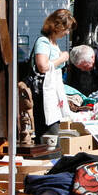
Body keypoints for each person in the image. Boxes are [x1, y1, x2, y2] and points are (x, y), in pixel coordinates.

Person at [29, 8, 74, 145]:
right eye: (66, 29)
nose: (67, 32)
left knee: (54, 130)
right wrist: (62, 58)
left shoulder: (53, 43)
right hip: (43, 94)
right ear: (57, 27)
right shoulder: (43, 42)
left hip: (52, 95)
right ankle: (48, 159)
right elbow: (42, 66)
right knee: (49, 132)